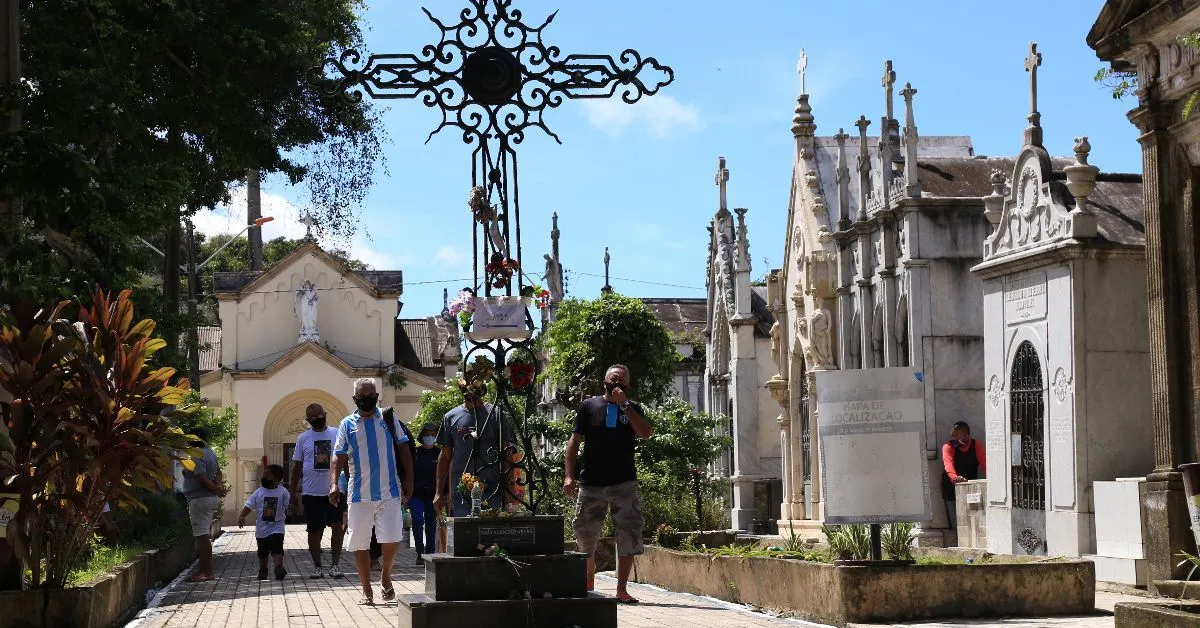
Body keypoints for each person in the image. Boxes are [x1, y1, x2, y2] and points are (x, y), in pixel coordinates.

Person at [564, 364, 653, 605]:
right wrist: (569, 475)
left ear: (628, 385)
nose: (617, 383)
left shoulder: (632, 409)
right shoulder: (589, 406)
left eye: (622, 380)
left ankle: (622, 589)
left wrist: (624, 405)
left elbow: (646, 433)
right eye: (613, 379)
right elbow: (574, 442)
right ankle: (588, 580)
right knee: (585, 535)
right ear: (604, 381)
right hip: (592, 484)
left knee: (628, 534)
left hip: (624, 483)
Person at [330, 378, 413, 606]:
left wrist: (409, 480)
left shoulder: (388, 418)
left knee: (391, 538)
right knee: (359, 542)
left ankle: (386, 576)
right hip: (359, 495)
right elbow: (338, 456)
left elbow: (404, 448)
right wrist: (334, 484)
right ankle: (366, 588)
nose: (366, 400)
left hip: (390, 491)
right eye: (361, 397)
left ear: (377, 397)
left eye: (370, 396)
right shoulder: (347, 424)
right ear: (355, 399)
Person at [433, 378, 516, 518]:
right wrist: (438, 493)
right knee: (465, 535)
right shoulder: (451, 417)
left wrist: (510, 493)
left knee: (489, 535)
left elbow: (507, 454)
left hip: (492, 489)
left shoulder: (495, 414)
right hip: (462, 492)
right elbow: (445, 457)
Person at [290, 403, 345, 579]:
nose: (316, 419)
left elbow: (346, 459)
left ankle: (335, 565)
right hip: (311, 492)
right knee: (313, 530)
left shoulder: (337, 433)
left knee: (337, 526)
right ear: (308, 421)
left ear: (325, 414)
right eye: (312, 418)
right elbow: (296, 467)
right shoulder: (303, 438)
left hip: (334, 490)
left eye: (318, 416)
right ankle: (317, 567)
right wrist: (292, 492)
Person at [183, 427, 226, 583]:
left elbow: (201, 477)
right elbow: (219, 473)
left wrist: (215, 488)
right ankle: (203, 570)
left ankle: (206, 572)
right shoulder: (210, 452)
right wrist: (217, 486)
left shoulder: (196, 454)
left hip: (200, 498)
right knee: (204, 535)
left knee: (202, 536)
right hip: (208, 498)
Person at [239, 464, 290, 581]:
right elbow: (249, 505)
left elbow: (287, 506)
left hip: (277, 527)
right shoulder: (258, 492)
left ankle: (279, 568)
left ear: (276, 479)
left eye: (267, 476)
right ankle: (263, 570)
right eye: (263, 475)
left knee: (277, 548)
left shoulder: (283, 492)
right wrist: (242, 516)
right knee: (262, 552)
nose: (263, 478)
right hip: (261, 530)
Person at [941, 421, 986, 531]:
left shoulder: (976, 445)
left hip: (971, 489)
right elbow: (948, 464)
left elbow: (985, 464)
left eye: (957, 435)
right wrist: (955, 478)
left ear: (966, 435)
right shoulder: (948, 446)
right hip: (951, 489)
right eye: (953, 435)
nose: (954, 437)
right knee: (956, 524)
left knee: (974, 523)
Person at [411, 423, 441, 565]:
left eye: (433, 434)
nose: (430, 437)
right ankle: (419, 552)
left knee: (431, 524)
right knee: (417, 521)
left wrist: (444, 493)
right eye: (428, 434)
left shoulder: (439, 453)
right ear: (422, 435)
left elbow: (444, 474)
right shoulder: (415, 453)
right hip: (416, 494)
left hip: (433, 495)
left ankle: (429, 554)